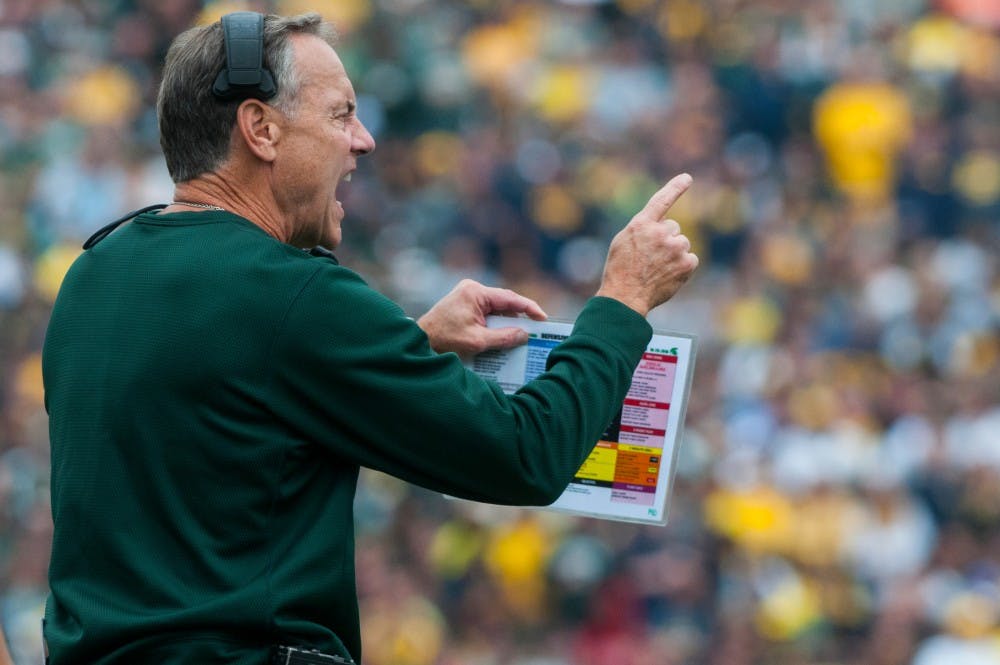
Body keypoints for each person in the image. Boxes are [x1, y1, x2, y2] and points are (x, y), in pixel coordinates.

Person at [42, 11, 698, 665]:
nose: (364, 140)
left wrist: (407, 345)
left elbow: (223, 411)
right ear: (260, 129)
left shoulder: (92, 273)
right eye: (340, 114)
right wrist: (622, 300)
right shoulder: (292, 295)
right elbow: (527, 453)